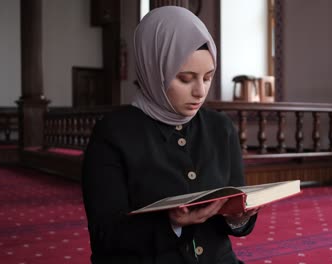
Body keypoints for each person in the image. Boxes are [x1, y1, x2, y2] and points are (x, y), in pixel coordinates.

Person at [82, 6, 258, 264]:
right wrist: (171, 224)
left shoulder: (221, 128)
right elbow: (105, 235)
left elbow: (231, 221)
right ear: (155, 71)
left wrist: (239, 218)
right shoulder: (113, 133)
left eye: (208, 77)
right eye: (186, 79)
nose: (200, 91)